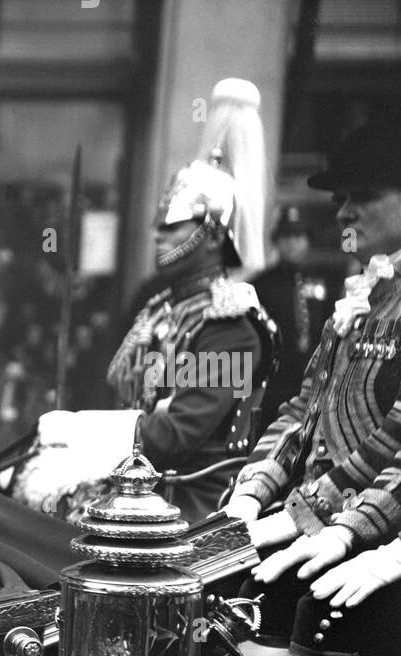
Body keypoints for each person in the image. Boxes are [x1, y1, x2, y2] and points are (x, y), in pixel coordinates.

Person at [154, 115, 401, 656]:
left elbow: (392, 441)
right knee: (215, 581)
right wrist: (256, 491)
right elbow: (304, 409)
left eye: (366, 195)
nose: (346, 213)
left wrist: (329, 522)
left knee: (300, 602)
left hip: (375, 523)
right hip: (328, 515)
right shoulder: (364, 299)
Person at [106, 78, 274, 524]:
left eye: (174, 225)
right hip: (134, 482)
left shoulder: (230, 325)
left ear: (213, 235)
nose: (158, 234)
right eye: (159, 224)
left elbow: (178, 433)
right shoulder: (161, 305)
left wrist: (87, 434)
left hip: (192, 502)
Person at [250, 207, 336, 436]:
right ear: (277, 241)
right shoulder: (261, 284)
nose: (292, 244)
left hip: (312, 379)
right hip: (274, 382)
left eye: (298, 237)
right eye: (286, 237)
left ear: (307, 241)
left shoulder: (323, 280)